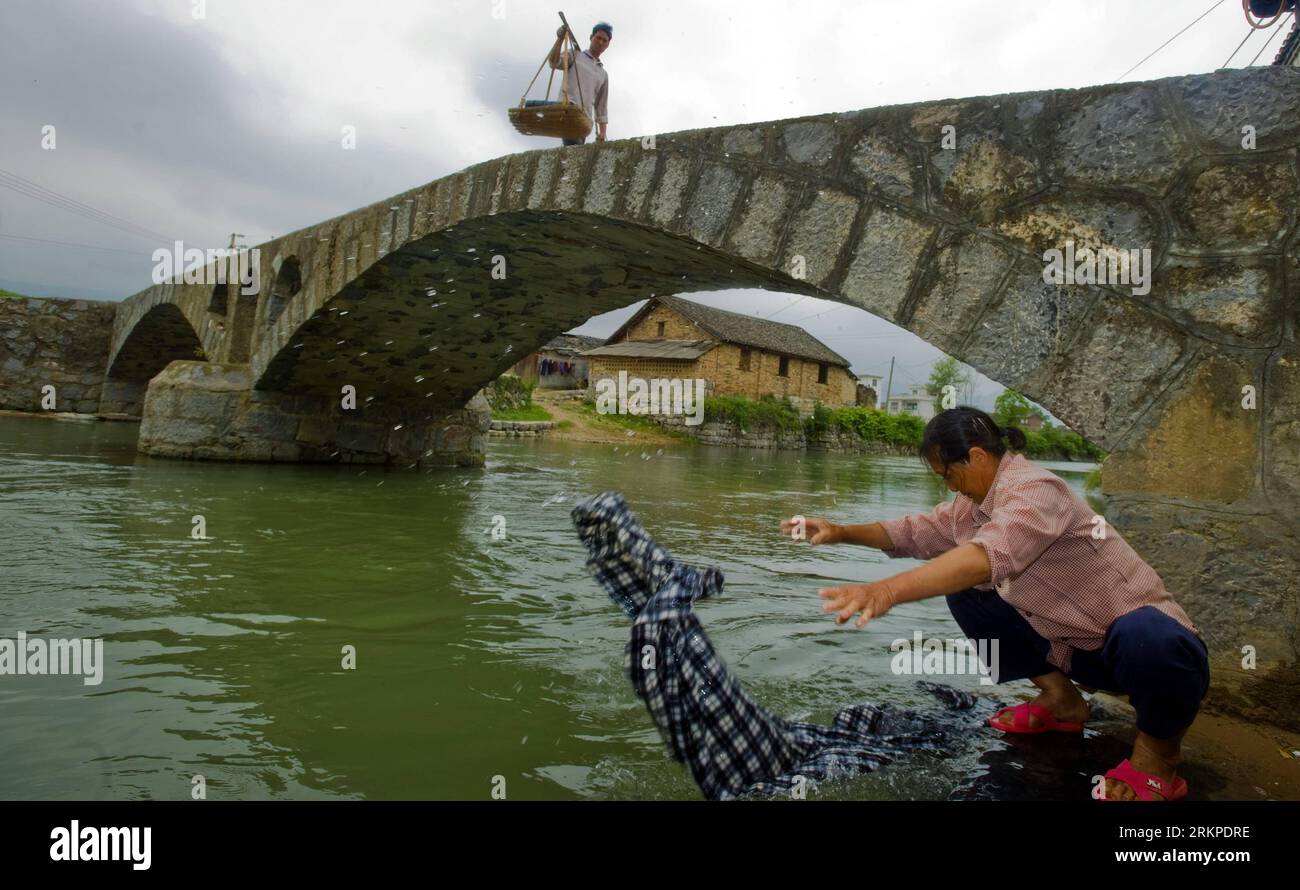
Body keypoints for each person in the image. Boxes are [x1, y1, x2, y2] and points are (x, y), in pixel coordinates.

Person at [780, 406, 1210, 801]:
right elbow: (913, 531)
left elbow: (987, 556)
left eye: (947, 474)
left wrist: (886, 591)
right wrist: (840, 531)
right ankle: (1061, 701)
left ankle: (1158, 756)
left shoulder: (1036, 490)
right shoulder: (969, 506)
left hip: (1140, 652)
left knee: (1148, 634)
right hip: (1074, 649)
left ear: (978, 456)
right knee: (965, 592)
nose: (948, 485)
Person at [544, 21, 611, 145]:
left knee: (577, 149)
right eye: (598, 38)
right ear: (591, 38)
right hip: (567, 111)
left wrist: (602, 134)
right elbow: (554, 62)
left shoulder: (603, 74)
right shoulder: (575, 55)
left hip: (583, 120)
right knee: (574, 147)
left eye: (604, 40)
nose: (601, 42)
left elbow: (601, 106)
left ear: (607, 45)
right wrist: (560, 39)